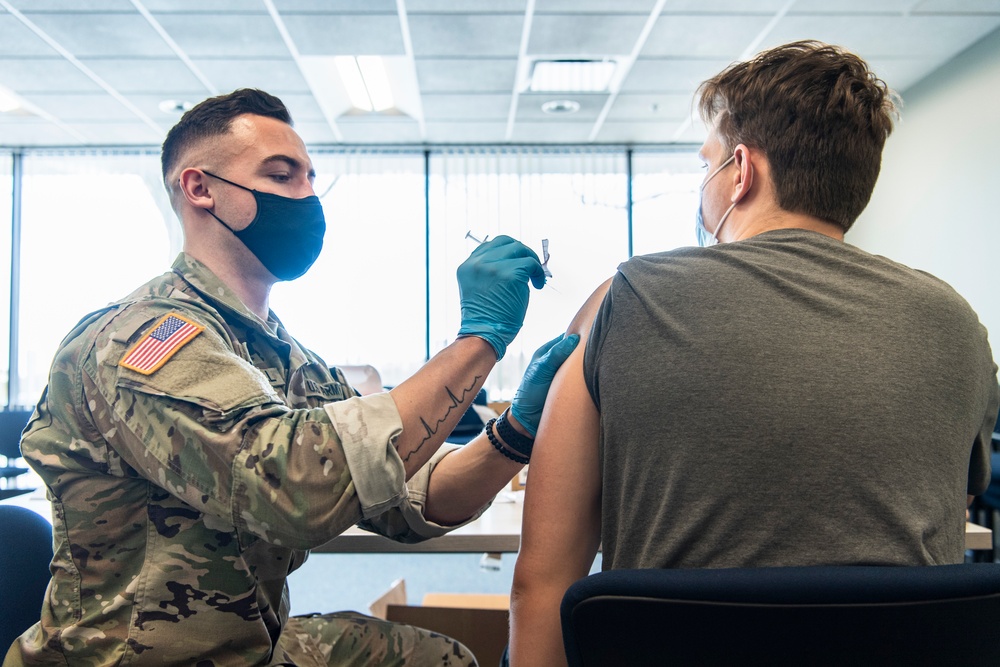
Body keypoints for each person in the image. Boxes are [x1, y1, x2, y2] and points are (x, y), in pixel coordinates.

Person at [6, 88, 578, 667]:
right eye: (282, 176)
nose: (307, 197)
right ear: (199, 188)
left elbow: (412, 497)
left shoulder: (279, 355)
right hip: (132, 659)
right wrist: (477, 341)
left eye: (310, 178)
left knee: (440, 659)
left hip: (244, 647)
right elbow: (300, 489)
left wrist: (516, 433)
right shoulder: (143, 341)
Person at [507, 40, 999, 666]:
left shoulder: (627, 298)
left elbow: (542, 582)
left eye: (706, 161)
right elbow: (935, 543)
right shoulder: (956, 324)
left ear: (740, 171)